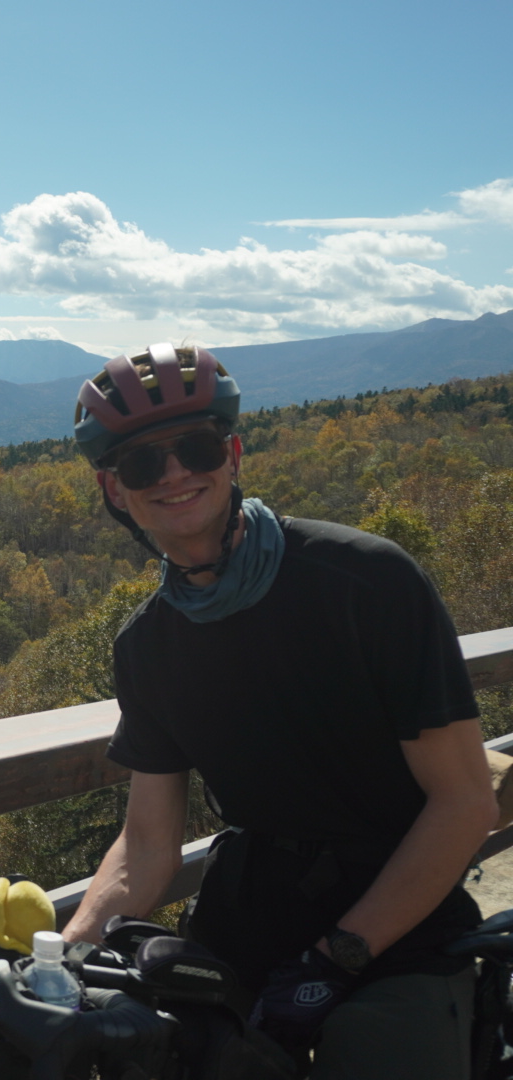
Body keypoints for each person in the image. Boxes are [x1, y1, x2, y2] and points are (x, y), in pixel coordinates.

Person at [60, 343, 498, 1078]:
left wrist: (340, 955)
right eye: (142, 465)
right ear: (114, 491)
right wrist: (65, 956)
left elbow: (463, 802)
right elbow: (146, 848)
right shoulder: (149, 646)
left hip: (401, 919)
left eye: (195, 448)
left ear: (231, 454)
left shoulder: (367, 582)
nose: (173, 474)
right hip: (251, 916)